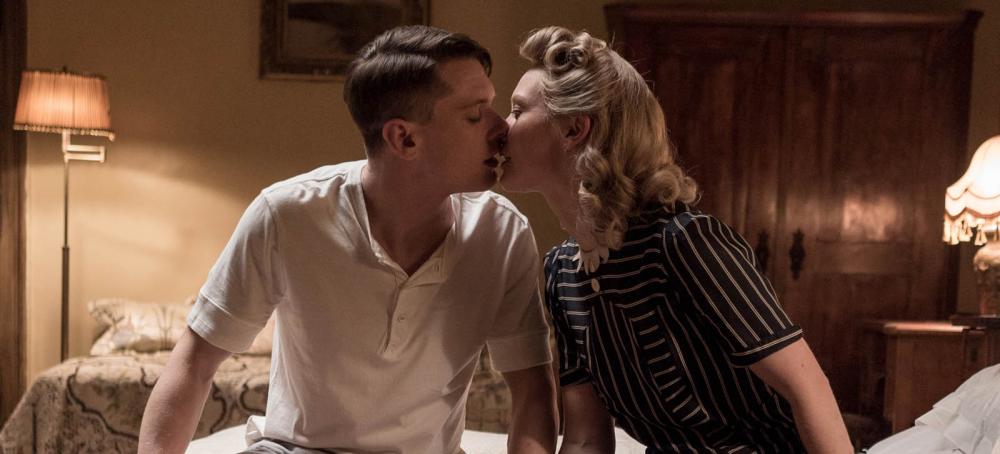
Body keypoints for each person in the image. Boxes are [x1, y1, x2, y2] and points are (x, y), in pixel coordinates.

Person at [138, 25, 557, 454]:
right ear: (404, 138)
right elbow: (194, 364)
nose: (502, 127)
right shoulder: (286, 215)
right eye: (474, 115)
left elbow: (532, 388)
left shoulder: (502, 232)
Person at [497, 26, 853, 453]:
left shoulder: (685, 242)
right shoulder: (562, 272)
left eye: (517, 111)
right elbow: (587, 437)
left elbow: (808, 388)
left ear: (574, 128)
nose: (502, 128)